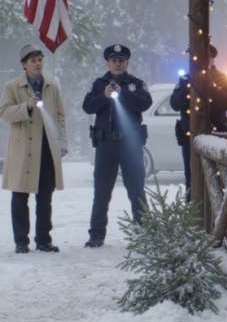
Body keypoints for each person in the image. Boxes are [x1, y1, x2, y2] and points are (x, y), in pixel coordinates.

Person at [82, 45, 152, 247]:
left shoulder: (136, 84)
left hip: (130, 144)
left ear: (127, 63)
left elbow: (145, 103)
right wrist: (103, 95)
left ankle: (144, 233)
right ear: (108, 63)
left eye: (121, 60)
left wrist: (122, 93)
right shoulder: (98, 84)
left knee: (136, 190)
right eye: (114, 61)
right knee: (101, 192)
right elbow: (87, 106)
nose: (118, 64)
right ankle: (96, 235)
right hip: (106, 144)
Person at [0, 44, 68, 253]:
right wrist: (26, 106)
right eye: (33, 61)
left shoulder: (52, 86)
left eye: (40, 59)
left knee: (45, 196)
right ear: (24, 65)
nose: (38, 64)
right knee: (20, 196)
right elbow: (4, 112)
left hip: (46, 148)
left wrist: (62, 141)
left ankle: (43, 240)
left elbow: (59, 116)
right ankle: (21, 242)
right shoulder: (13, 86)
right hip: (22, 149)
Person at [171, 45, 227, 196]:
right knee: (192, 177)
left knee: (219, 178)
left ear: (213, 59)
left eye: (208, 57)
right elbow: (174, 105)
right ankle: (193, 214)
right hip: (190, 137)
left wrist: (213, 87)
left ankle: (218, 216)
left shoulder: (223, 79)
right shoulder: (185, 78)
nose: (204, 61)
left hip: (216, 137)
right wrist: (187, 90)